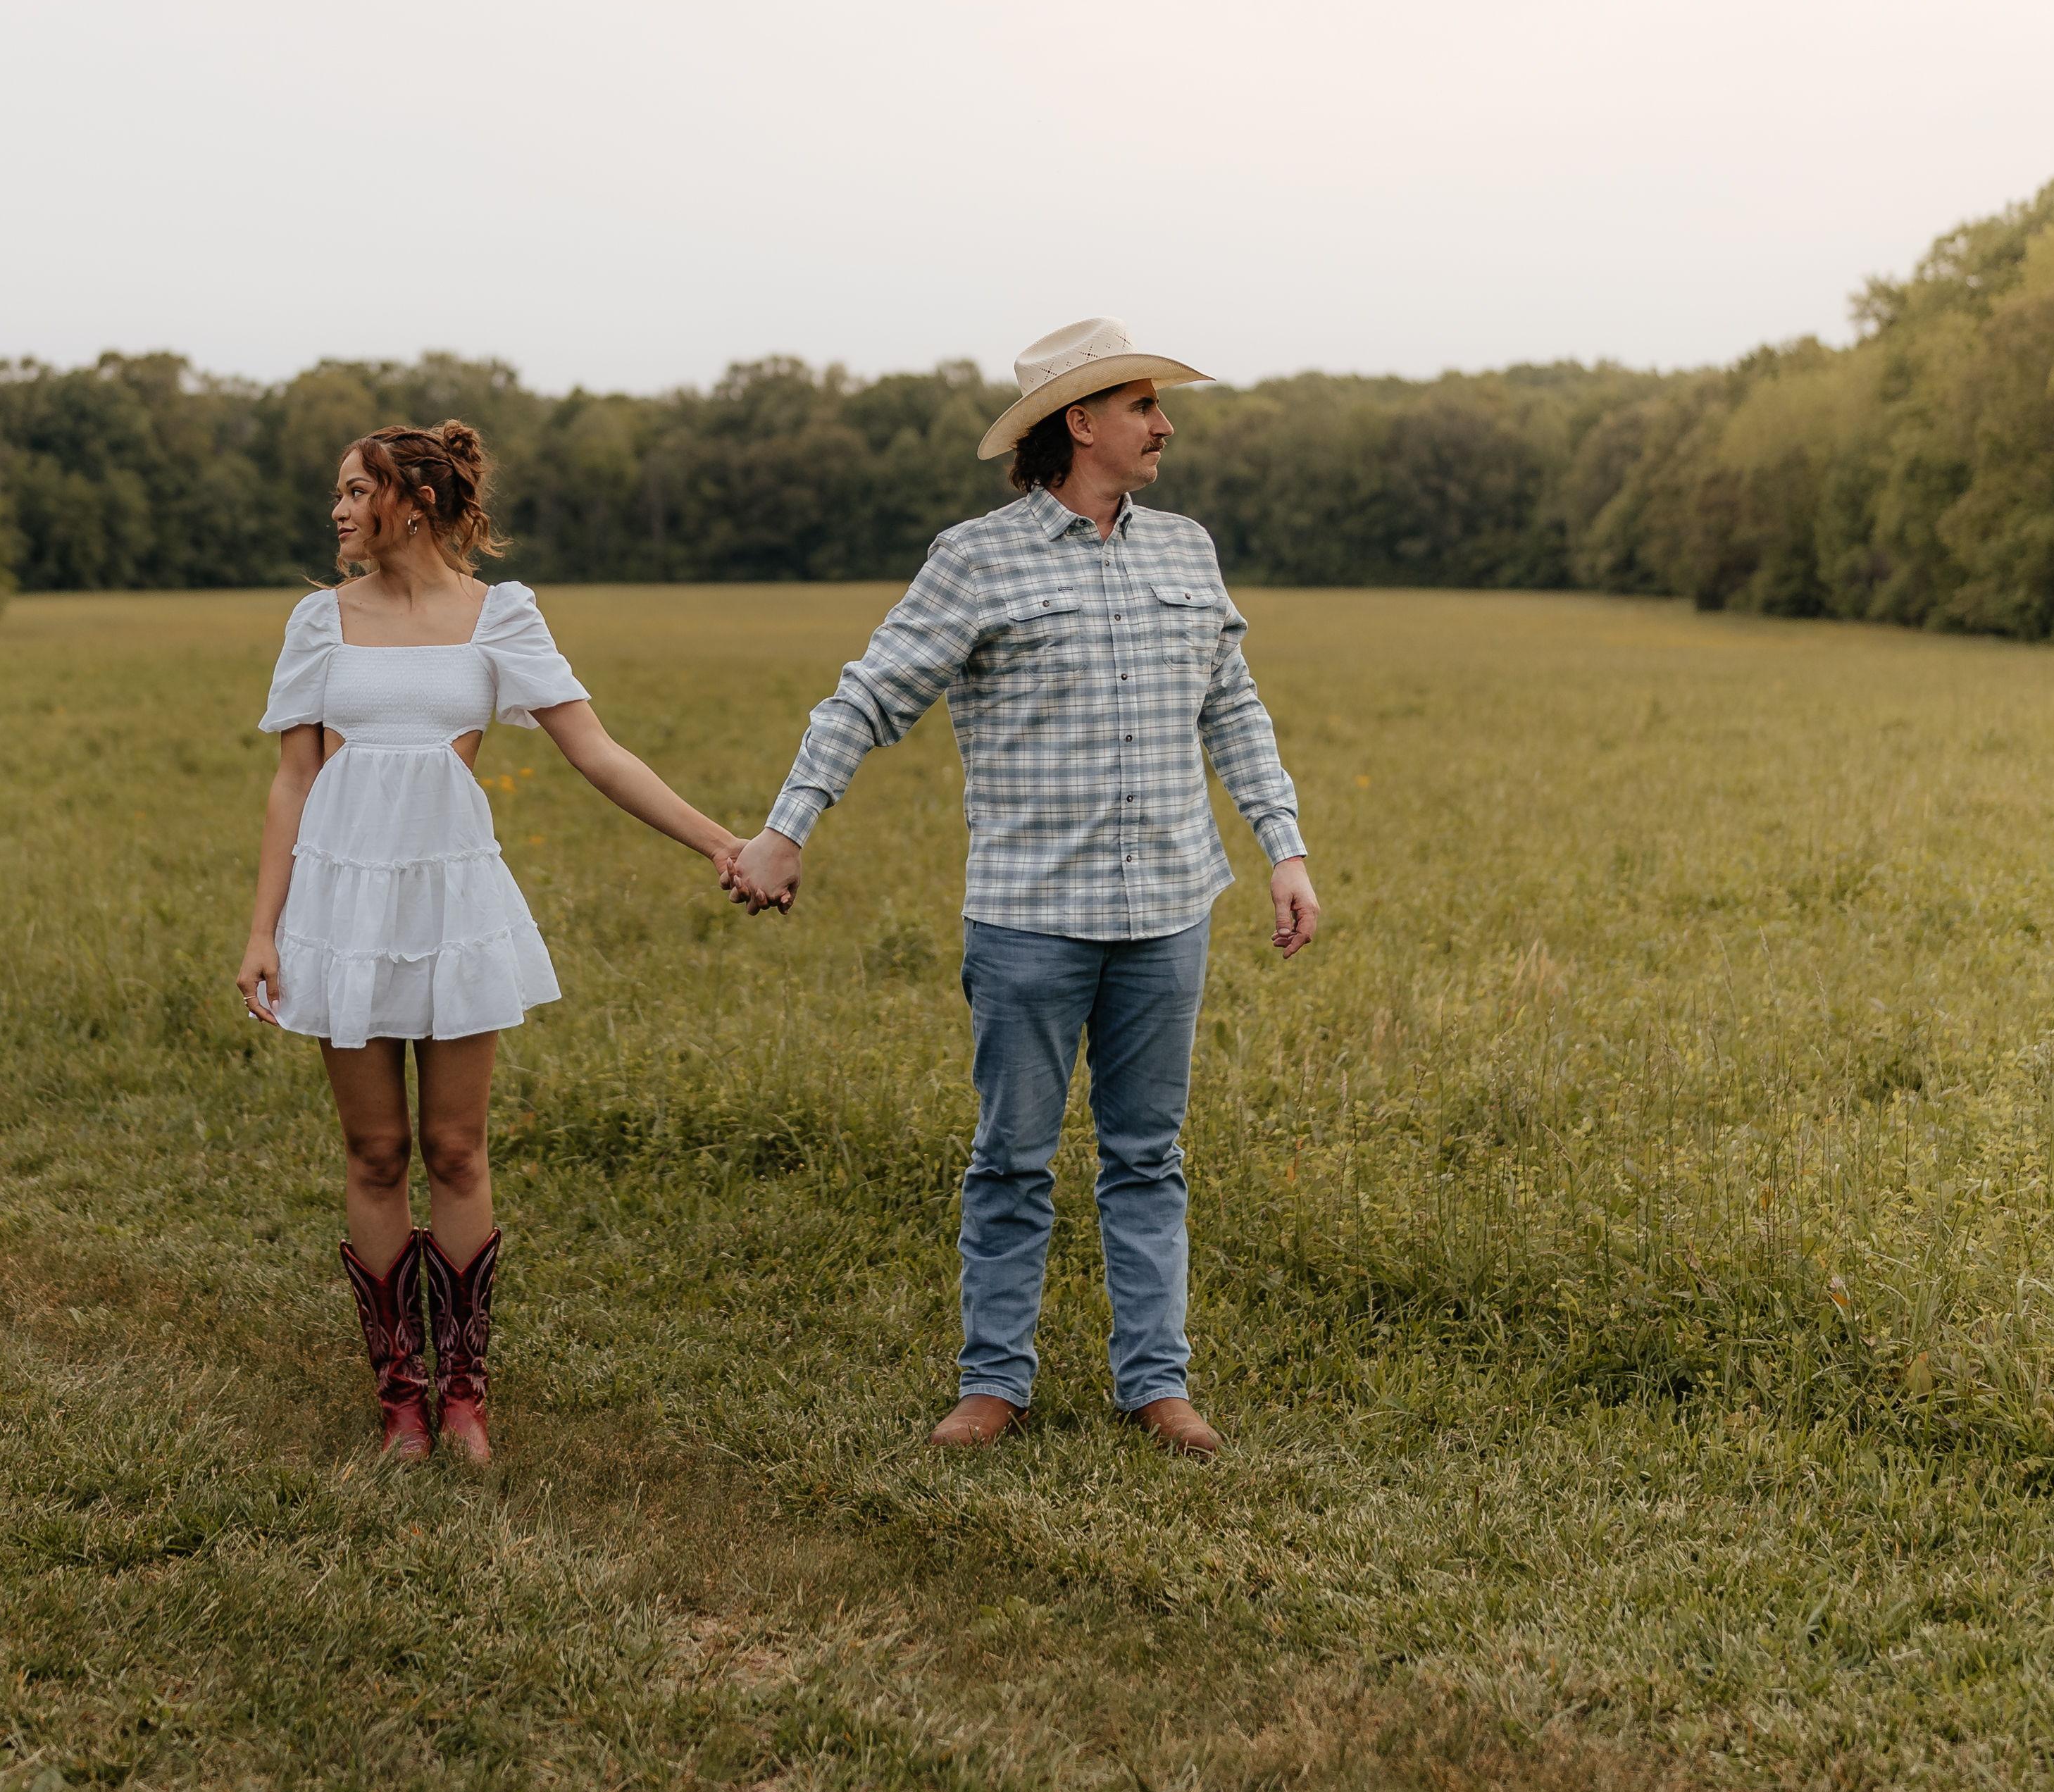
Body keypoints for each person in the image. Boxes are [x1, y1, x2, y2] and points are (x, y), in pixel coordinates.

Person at [726, 318, 1320, 1456]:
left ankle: (1158, 1385)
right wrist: (785, 831)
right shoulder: (976, 558)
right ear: (1080, 423)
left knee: (1150, 1158)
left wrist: (1282, 848)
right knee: (1011, 1160)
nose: (1166, 424)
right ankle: (992, 1384)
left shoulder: (1186, 549)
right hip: (1031, 923)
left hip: (1169, 915)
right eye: (1144, 405)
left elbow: (1232, 708)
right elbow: (866, 698)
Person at [239, 419, 748, 1464]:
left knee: (456, 1150)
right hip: (341, 908)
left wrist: (718, 842)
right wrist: (263, 931)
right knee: (375, 1153)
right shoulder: (317, 622)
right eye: (335, 492)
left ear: (411, 501)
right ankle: (400, 1402)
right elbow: (294, 778)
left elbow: (597, 753)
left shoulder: (499, 618)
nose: (335, 510)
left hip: (452, 906)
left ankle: (465, 1394)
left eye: (352, 490)